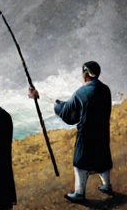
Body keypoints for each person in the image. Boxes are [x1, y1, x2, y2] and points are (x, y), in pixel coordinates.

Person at [32, 61, 113, 201]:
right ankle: (106, 185)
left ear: (86, 74)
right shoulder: (105, 89)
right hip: (102, 131)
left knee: (80, 162)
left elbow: (66, 112)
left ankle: (79, 193)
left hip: (86, 133)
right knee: (102, 157)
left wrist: (46, 99)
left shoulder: (81, 92)